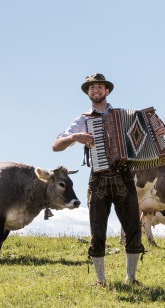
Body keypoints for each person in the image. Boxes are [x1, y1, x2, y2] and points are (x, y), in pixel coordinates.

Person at [52, 73, 145, 286]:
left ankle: (131, 278)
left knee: (133, 227)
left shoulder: (124, 116)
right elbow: (56, 146)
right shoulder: (84, 119)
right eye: (91, 88)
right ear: (88, 93)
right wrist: (76, 137)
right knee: (98, 229)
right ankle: (100, 280)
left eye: (99, 87)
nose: (95, 91)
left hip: (123, 177)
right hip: (98, 179)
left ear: (107, 91)